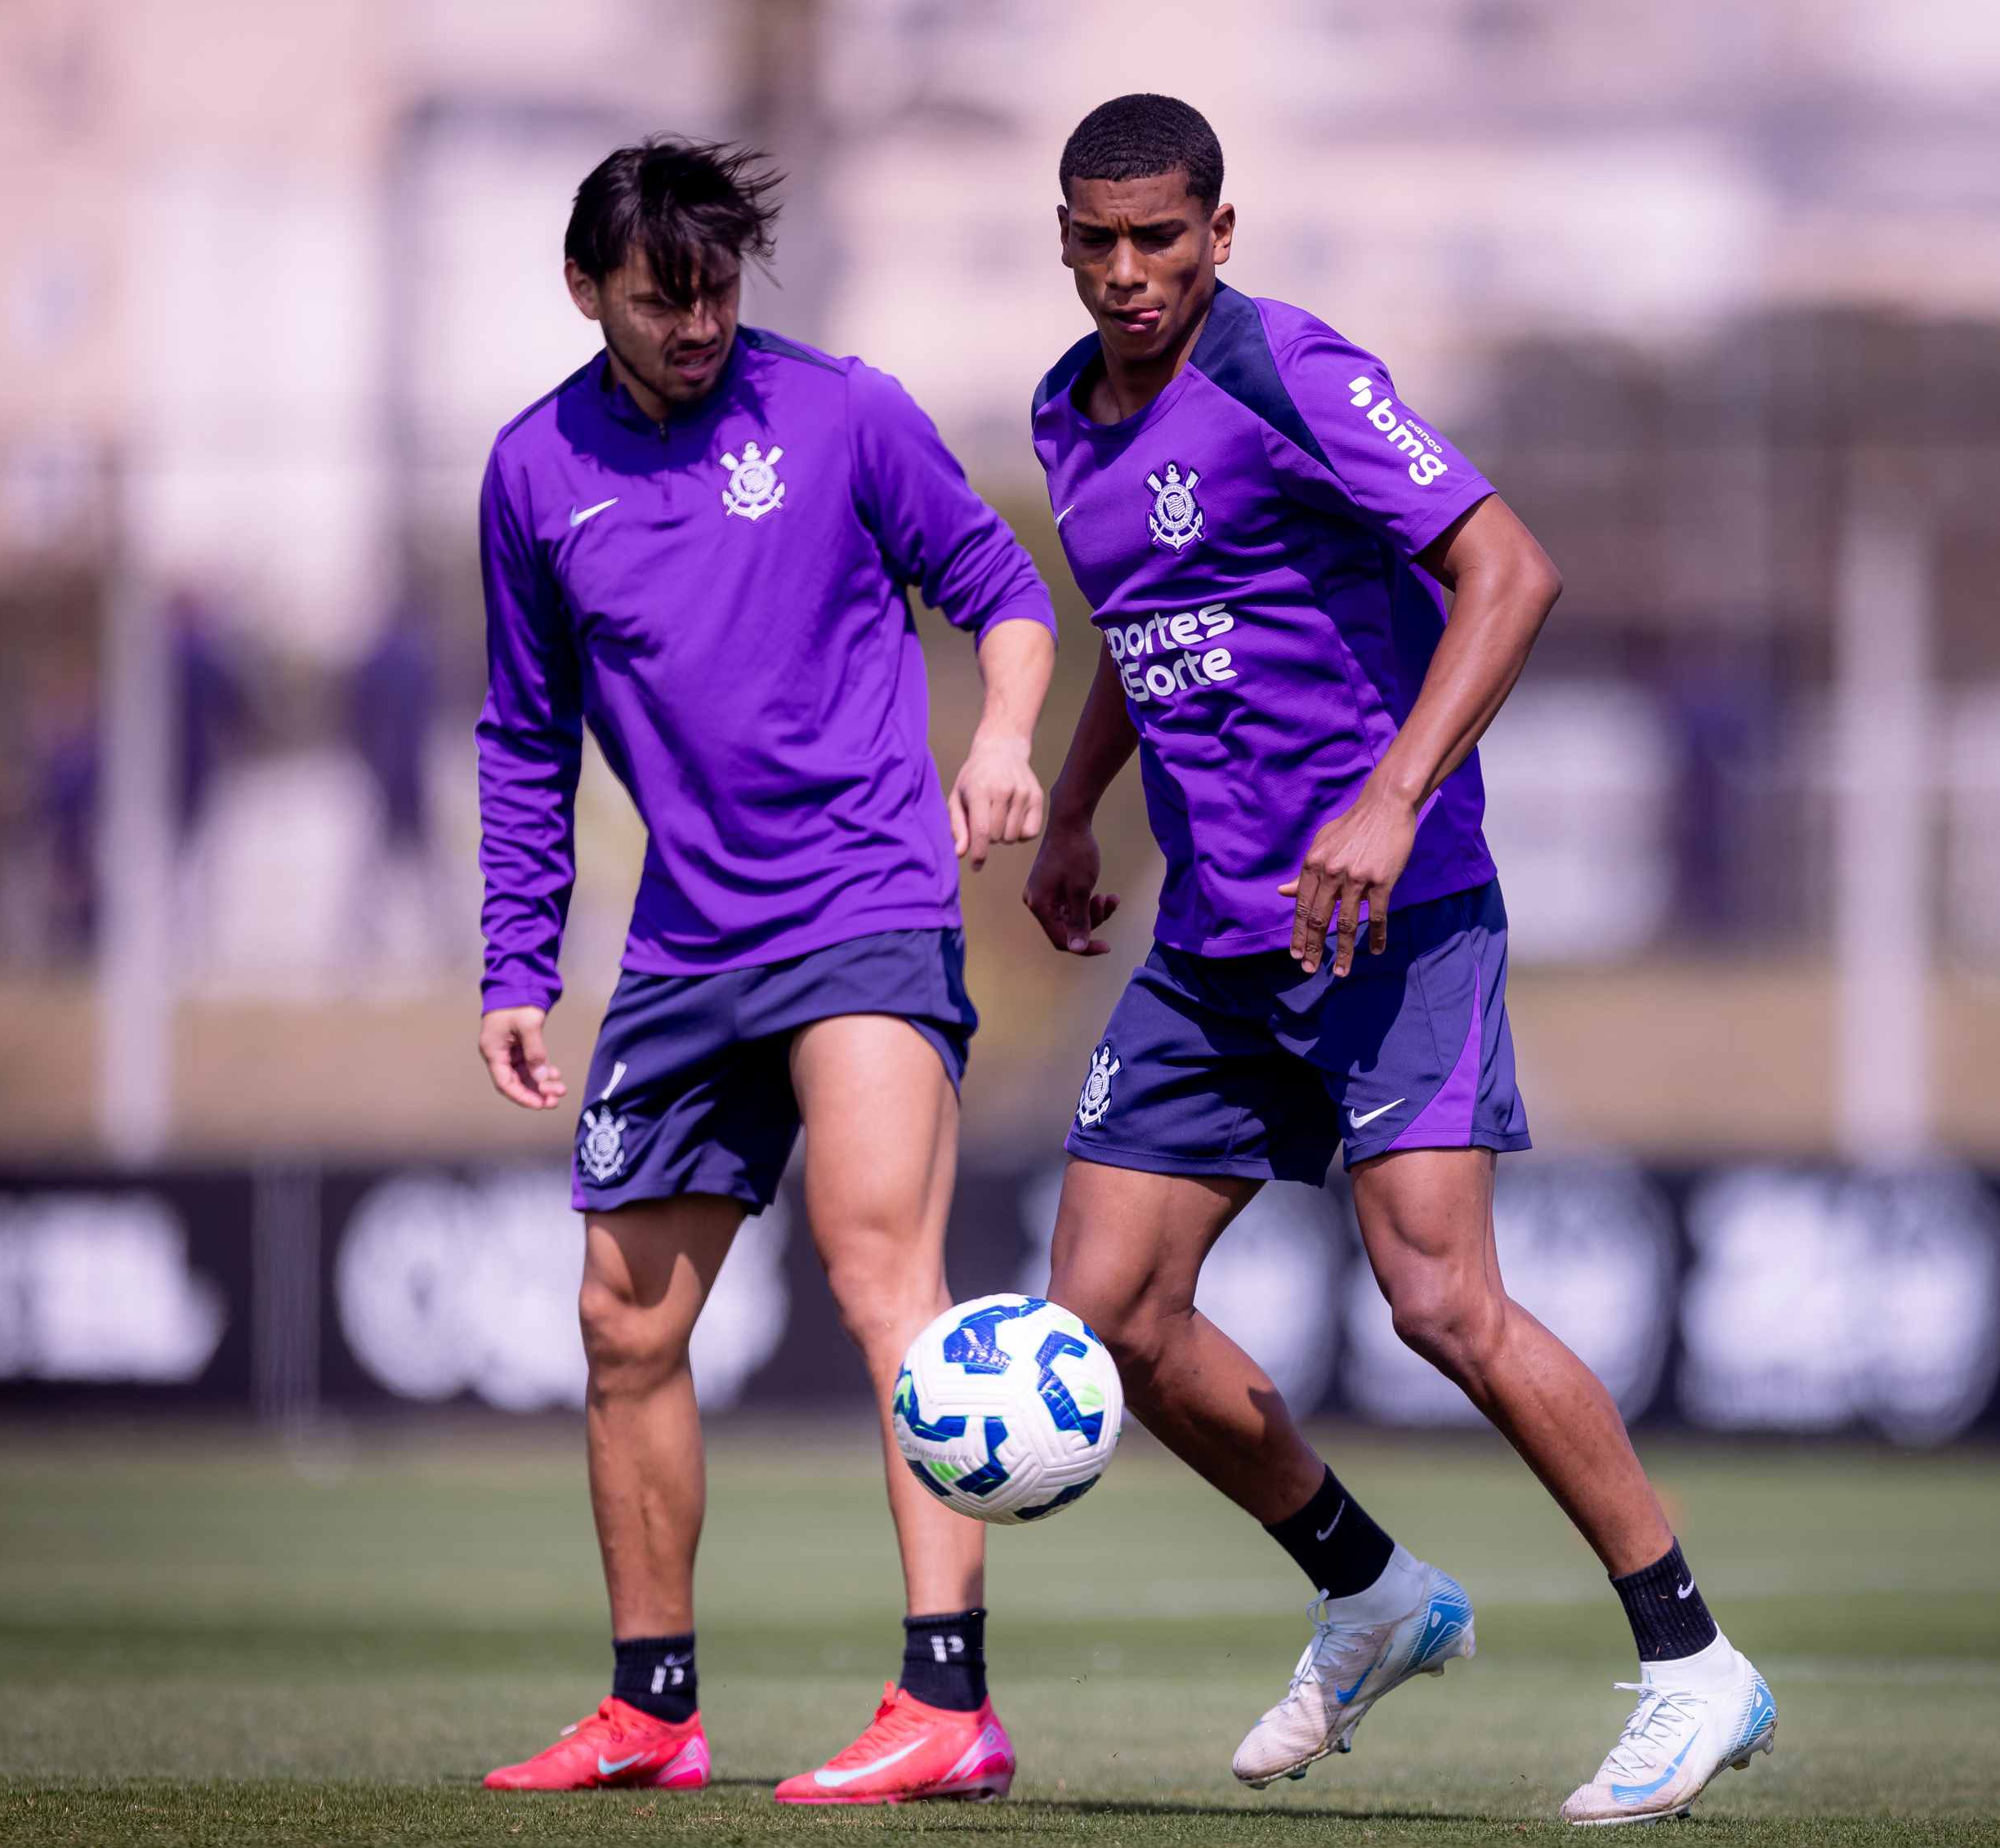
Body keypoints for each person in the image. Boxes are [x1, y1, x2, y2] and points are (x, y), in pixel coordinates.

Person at [1020, 96, 1777, 1825]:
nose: (1128, 273)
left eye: (1159, 238)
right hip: (1214, 934)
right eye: (1096, 240)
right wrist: (1075, 815)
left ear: (1222, 231)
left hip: (1395, 910)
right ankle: (1370, 1592)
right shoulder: (1068, 415)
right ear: (1063, 241)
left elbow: (1511, 572)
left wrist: (1388, 793)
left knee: (1438, 1300)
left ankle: (1693, 1664)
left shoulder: (1289, 371)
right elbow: (1150, 630)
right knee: (1110, 1312)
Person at [474, 136, 1054, 1804]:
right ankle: (652, 1711)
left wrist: (1006, 735)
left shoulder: (842, 412)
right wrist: (519, 956)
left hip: (868, 900)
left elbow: (1002, 591)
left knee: (884, 1277)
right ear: (587, 292)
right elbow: (524, 738)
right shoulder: (531, 475)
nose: (701, 324)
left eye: (722, 291)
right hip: (682, 946)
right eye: (666, 298)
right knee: (622, 1328)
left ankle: (948, 1702)